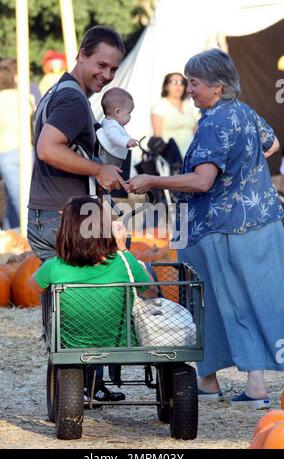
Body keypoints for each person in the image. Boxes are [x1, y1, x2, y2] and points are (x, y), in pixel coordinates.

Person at [128, 48, 284, 409]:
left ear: (217, 86)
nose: (188, 89)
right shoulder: (244, 112)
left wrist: (152, 179)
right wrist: (244, 173)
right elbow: (271, 143)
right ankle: (224, 381)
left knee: (209, 302)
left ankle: (226, 383)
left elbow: (201, 182)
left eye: (194, 83)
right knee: (241, 300)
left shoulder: (214, 122)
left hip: (218, 226)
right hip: (260, 218)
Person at [29, 195, 152, 401]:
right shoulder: (123, 262)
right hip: (120, 341)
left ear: (65, 233)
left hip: (72, 341)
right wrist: (122, 247)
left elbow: (31, 287)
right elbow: (150, 289)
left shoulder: (54, 267)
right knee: (146, 270)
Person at [27, 26, 127, 262]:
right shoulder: (73, 99)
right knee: (93, 296)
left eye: (113, 69)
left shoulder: (57, 90)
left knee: (64, 297)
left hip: (47, 213)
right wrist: (99, 170)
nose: (107, 75)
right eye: (101, 65)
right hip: (65, 217)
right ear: (82, 55)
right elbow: (47, 148)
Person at [0, 58, 35, 229]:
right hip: (27, 150)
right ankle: (12, 231)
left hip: (6, 151)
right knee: (16, 196)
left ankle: (27, 234)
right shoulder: (27, 96)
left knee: (19, 198)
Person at [151, 72, 199, 158]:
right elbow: (157, 137)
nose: (178, 86)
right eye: (174, 82)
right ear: (166, 86)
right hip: (171, 157)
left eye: (182, 83)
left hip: (191, 155)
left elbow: (195, 130)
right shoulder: (160, 106)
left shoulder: (188, 105)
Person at [98, 87, 138, 166]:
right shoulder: (110, 125)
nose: (130, 116)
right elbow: (114, 136)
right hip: (108, 158)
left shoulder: (114, 124)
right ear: (117, 112)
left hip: (113, 157)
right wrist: (127, 141)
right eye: (129, 113)